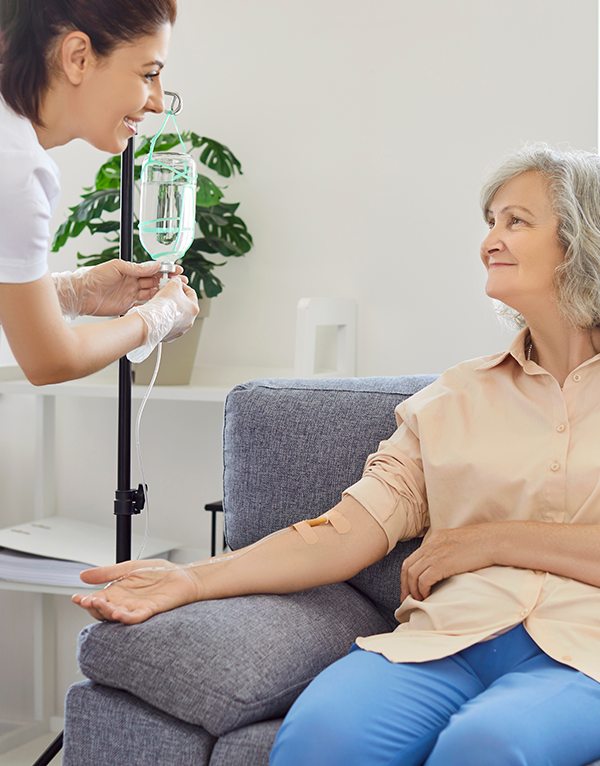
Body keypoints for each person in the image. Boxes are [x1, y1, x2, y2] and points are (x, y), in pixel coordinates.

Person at [73, 144, 600, 766]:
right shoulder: (456, 397)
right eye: (489, 221)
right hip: (444, 641)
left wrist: (490, 541)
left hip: (582, 653)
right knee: (322, 736)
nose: (490, 239)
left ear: (580, 240)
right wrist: (192, 580)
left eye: (516, 221)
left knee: (488, 746)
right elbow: (344, 531)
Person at [0, 0, 199, 386]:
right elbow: (50, 360)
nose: (160, 103)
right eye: (149, 74)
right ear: (79, 58)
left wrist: (77, 291)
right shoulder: (17, 168)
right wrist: (154, 319)